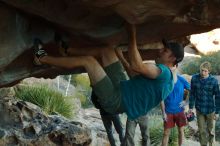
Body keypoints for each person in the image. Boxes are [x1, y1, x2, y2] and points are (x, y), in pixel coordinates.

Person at [33, 24, 184, 120]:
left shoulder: (164, 73)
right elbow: (134, 74)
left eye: (165, 51)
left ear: (173, 59)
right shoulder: (168, 78)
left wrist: (132, 32)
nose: (160, 51)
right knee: (107, 51)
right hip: (122, 86)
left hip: (116, 100)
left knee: (89, 61)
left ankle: (42, 58)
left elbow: (137, 65)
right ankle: (67, 50)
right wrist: (121, 58)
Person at [189, 61, 220, 146]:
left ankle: (211, 144)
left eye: (205, 71)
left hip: (210, 109)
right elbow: (192, 93)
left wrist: (217, 112)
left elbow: (218, 96)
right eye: (202, 70)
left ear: (209, 71)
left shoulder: (213, 81)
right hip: (199, 109)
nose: (203, 73)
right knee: (202, 131)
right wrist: (191, 107)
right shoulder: (195, 78)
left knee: (211, 131)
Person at [160, 66, 190, 146]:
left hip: (180, 110)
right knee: (166, 133)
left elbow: (191, 90)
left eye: (172, 66)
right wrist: (163, 112)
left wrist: (186, 101)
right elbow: (161, 98)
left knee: (181, 131)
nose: (170, 68)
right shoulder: (164, 81)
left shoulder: (181, 79)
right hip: (168, 111)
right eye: (168, 67)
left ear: (176, 67)